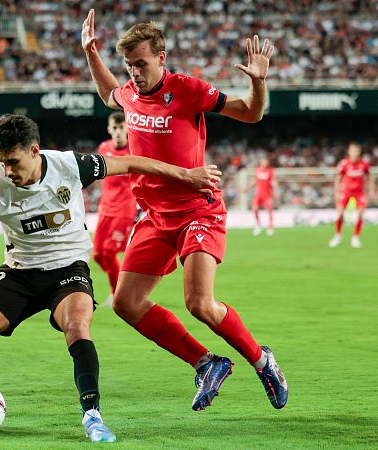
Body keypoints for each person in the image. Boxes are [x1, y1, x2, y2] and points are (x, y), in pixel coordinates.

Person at [0, 114, 221, 443]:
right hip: (19, 274)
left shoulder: (70, 165)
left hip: (69, 271)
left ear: (34, 150)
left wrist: (185, 175)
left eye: (13, 161)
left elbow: (131, 162)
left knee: (77, 327)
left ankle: (92, 415)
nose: (8, 170)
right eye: (2, 162)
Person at [82, 11, 288, 411]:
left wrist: (259, 83)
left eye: (141, 64)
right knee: (126, 303)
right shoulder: (130, 94)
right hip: (155, 217)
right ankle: (206, 362)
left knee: (199, 303)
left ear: (162, 57)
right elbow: (110, 93)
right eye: (129, 66)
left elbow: (251, 112)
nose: (134, 73)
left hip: (198, 210)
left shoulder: (189, 90)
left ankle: (263, 361)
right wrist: (91, 53)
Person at [92, 112, 137, 303]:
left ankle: (117, 294)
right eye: (115, 128)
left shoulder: (135, 150)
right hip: (105, 209)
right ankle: (124, 282)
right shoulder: (103, 148)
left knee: (109, 253)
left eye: (122, 128)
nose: (119, 132)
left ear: (128, 129)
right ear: (109, 129)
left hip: (124, 210)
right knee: (98, 255)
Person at [329, 142, 374, 248]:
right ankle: (337, 236)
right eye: (352, 150)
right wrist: (336, 192)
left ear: (359, 152)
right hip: (346, 192)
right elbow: (337, 178)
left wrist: (371, 190)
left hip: (359, 193)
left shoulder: (364, 164)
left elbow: (369, 177)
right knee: (339, 214)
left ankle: (355, 238)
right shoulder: (344, 164)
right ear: (349, 151)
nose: (354, 153)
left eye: (356, 150)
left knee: (360, 215)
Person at [244, 156, 276, 236]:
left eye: (265, 162)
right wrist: (247, 187)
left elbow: (273, 181)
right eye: (263, 161)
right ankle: (258, 225)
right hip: (258, 194)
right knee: (254, 209)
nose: (264, 163)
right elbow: (255, 180)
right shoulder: (257, 170)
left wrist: (275, 191)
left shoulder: (270, 170)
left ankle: (270, 227)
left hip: (267, 194)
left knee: (269, 210)